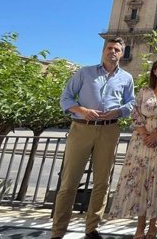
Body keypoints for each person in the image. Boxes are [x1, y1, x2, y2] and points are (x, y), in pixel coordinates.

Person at [51, 37, 135, 239]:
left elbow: (131, 103)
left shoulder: (126, 78)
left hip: (109, 130)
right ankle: (58, 231)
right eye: (109, 48)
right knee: (69, 182)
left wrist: (118, 112)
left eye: (116, 49)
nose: (112, 52)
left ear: (122, 53)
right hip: (81, 128)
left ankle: (92, 229)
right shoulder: (85, 72)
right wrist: (81, 110)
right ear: (103, 50)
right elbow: (66, 98)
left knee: (102, 182)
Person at [108, 58, 157, 239]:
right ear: (154, 71)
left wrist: (155, 136)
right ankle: (139, 226)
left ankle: (153, 224)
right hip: (141, 142)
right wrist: (145, 135)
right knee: (141, 181)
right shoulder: (144, 91)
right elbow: (136, 114)